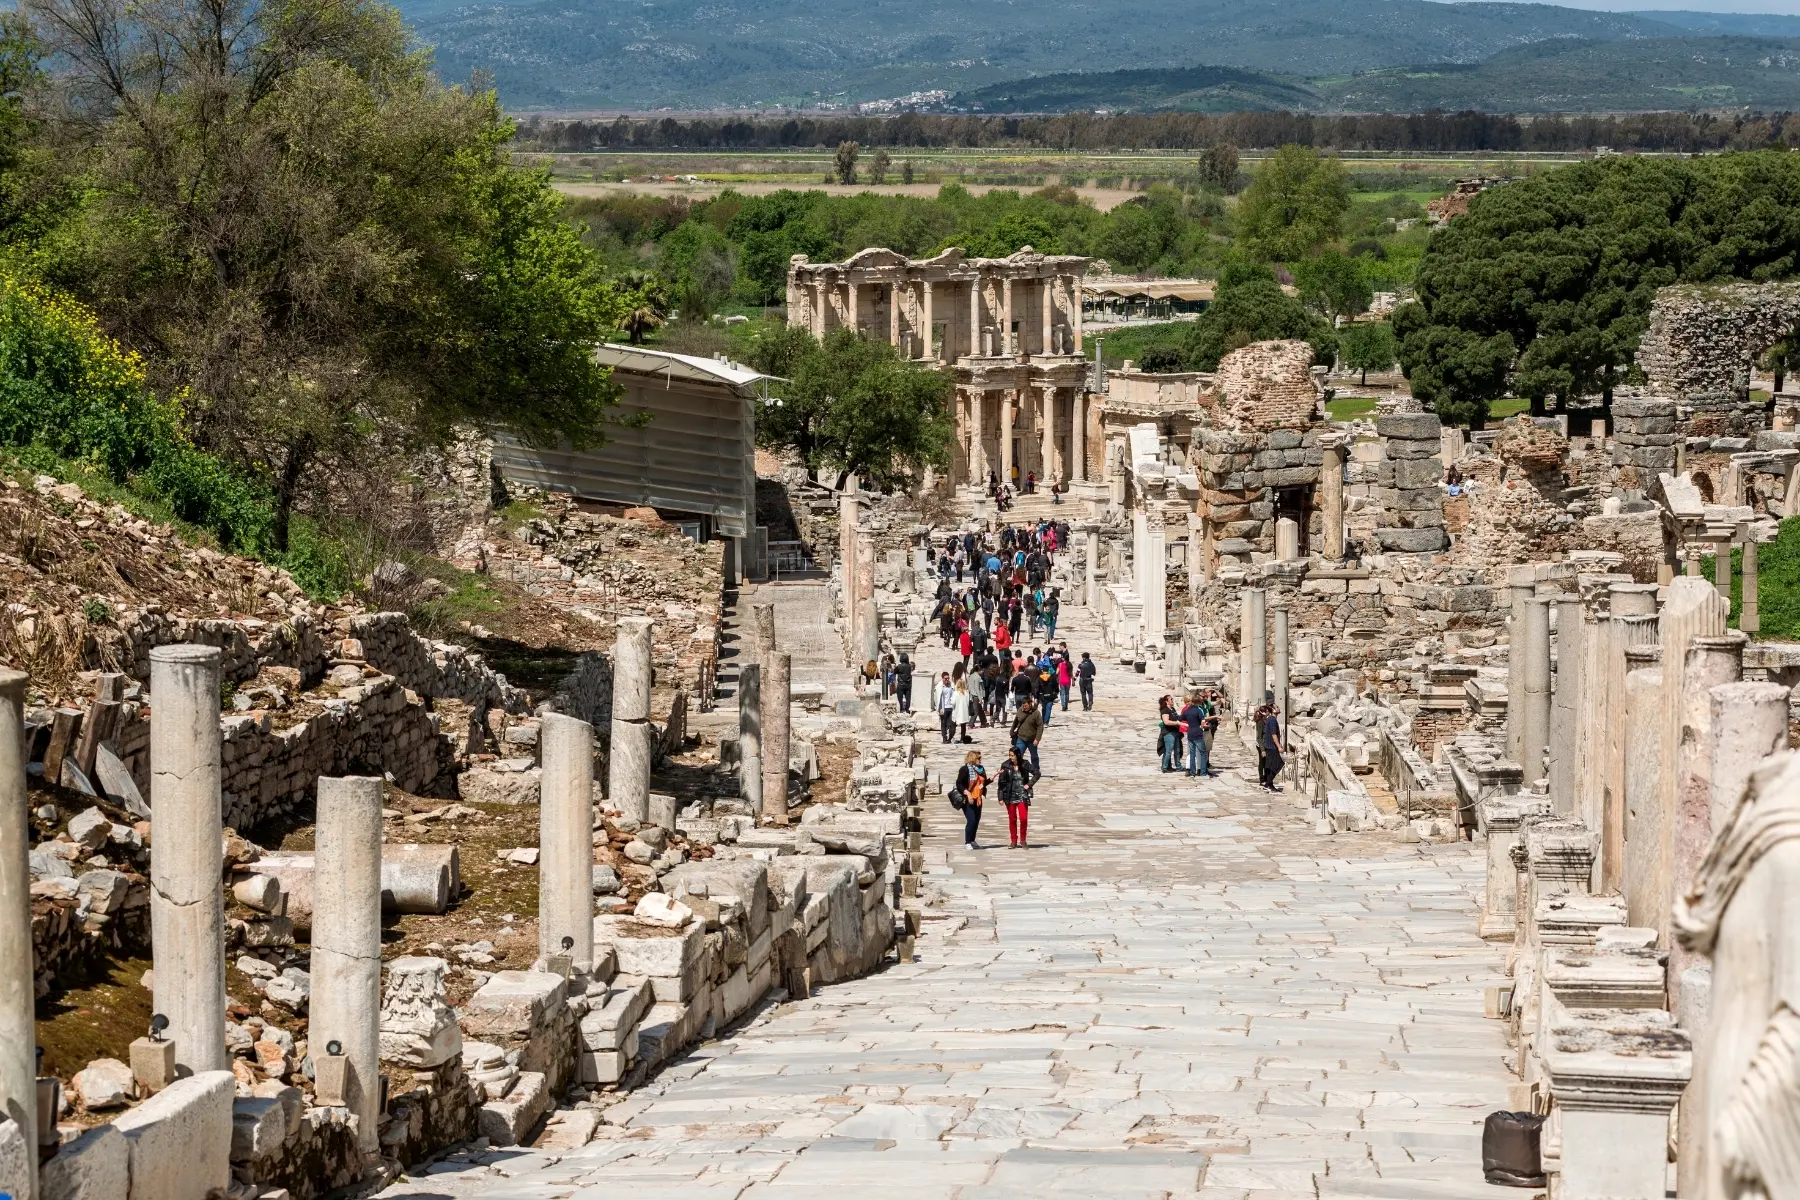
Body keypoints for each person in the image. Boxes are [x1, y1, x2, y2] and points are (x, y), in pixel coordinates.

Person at [997, 745, 1033, 849]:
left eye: (1012, 755)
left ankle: (1023, 839)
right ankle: (1013, 840)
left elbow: (1037, 773)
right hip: (1010, 795)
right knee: (1012, 819)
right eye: (1010, 755)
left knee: (1023, 818)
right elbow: (1001, 783)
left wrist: (1029, 784)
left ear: (1017, 755)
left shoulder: (1025, 764)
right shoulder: (1005, 765)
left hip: (1022, 795)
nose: (1011, 757)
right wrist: (1000, 797)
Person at [952, 750, 987, 850]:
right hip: (967, 799)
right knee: (971, 820)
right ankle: (967, 841)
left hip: (978, 798)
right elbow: (959, 783)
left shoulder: (981, 769)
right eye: (978, 758)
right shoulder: (965, 769)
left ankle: (972, 840)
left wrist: (993, 777)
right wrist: (967, 793)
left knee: (976, 820)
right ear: (972, 758)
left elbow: (983, 783)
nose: (980, 760)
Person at [1011, 695, 1043, 780]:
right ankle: (1017, 770)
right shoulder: (1020, 711)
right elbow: (1015, 722)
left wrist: (1037, 739)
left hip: (1032, 739)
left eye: (1026, 706)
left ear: (1030, 704)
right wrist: (1012, 731)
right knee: (1017, 755)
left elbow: (1040, 726)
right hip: (1021, 737)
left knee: (1034, 756)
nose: (1024, 707)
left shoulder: (1036, 713)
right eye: (1023, 705)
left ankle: (1036, 770)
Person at [1257, 699, 1286, 791]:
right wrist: (1279, 747)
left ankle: (1269, 784)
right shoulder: (1272, 720)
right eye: (1277, 707)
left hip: (1269, 746)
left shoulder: (1270, 719)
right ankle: (1268, 783)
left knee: (1270, 765)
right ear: (1273, 710)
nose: (1279, 708)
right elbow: (1274, 735)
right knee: (1278, 764)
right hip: (1271, 746)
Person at [1178, 693, 1210, 777]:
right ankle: (1203, 772)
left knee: (1192, 753)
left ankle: (1192, 772)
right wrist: (1202, 726)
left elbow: (1180, 719)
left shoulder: (1187, 710)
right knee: (1203, 752)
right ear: (1199, 702)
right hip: (1198, 733)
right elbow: (1203, 721)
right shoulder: (1198, 710)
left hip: (1190, 733)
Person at [1157, 695, 1182, 773]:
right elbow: (1166, 722)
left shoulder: (1173, 709)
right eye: (1171, 699)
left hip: (1176, 731)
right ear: (1166, 701)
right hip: (1168, 733)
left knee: (1177, 749)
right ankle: (1164, 767)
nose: (1172, 700)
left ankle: (1178, 766)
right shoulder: (1165, 710)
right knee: (1168, 750)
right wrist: (1177, 722)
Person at [936, 671, 957, 744]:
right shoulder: (939, 687)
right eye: (945, 678)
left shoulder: (952, 685)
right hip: (943, 708)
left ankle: (950, 737)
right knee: (943, 724)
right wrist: (939, 709)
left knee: (951, 723)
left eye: (948, 678)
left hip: (951, 707)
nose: (947, 680)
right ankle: (944, 738)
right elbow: (937, 699)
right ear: (942, 678)